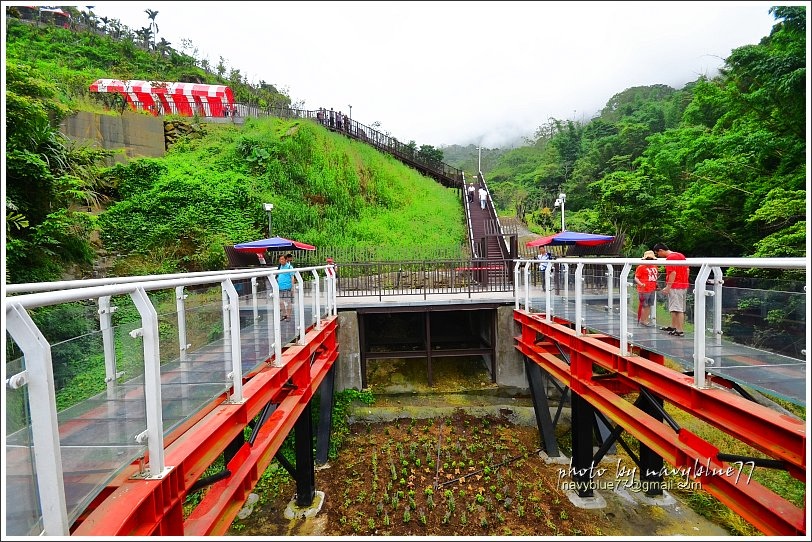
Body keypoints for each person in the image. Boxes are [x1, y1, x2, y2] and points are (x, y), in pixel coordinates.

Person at [652, 242, 688, 336]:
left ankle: (679, 330)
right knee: (676, 307)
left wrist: (668, 287)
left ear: (661, 250)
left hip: (676, 286)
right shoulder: (680, 255)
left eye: (657, 253)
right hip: (683, 285)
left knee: (677, 309)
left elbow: (672, 273)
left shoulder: (670, 258)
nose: (658, 256)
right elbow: (687, 269)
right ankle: (673, 326)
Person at [634, 250, 659, 326]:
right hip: (644, 289)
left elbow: (654, 277)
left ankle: (646, 320)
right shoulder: (641, 267)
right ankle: (643, 320)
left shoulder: (655, 266)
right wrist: (641, 284)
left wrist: (656, 284)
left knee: (649, 305)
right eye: (648, 259)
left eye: (651, 259)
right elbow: (636, 277)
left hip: (652, 288)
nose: (650, 261)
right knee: (644, 305)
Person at [276, 253, 295, 321]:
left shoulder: (290, 267)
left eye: (282, 259)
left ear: (286, 260)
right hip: (280, 287)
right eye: (280, 259)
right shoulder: (279, 267)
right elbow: (278, 276)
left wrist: (293, 288)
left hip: (287, 287)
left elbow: (292, 277)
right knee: (280, 302)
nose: (281, 260)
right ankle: (284, 314)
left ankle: (288, 316)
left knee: (288, 302)